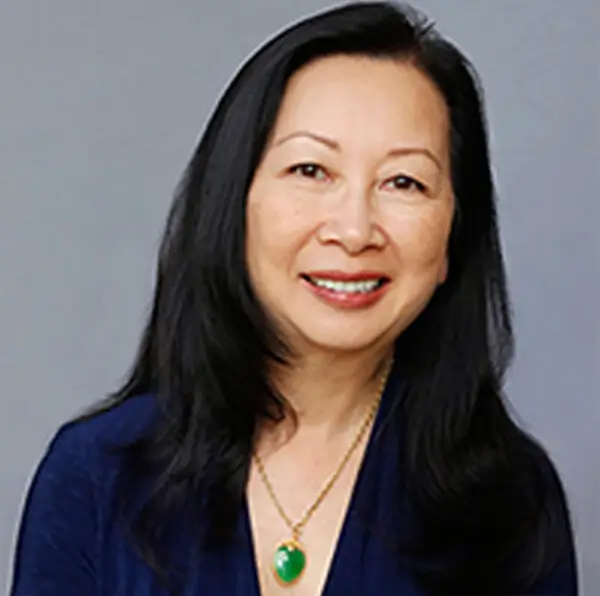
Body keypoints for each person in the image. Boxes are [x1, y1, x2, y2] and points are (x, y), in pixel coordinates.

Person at [10, 2, 578, 595]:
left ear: (453, 236)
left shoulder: (512, 503)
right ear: (235, 205)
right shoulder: (96, 476)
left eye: (404, 182)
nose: (355, 230)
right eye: (311, 170)